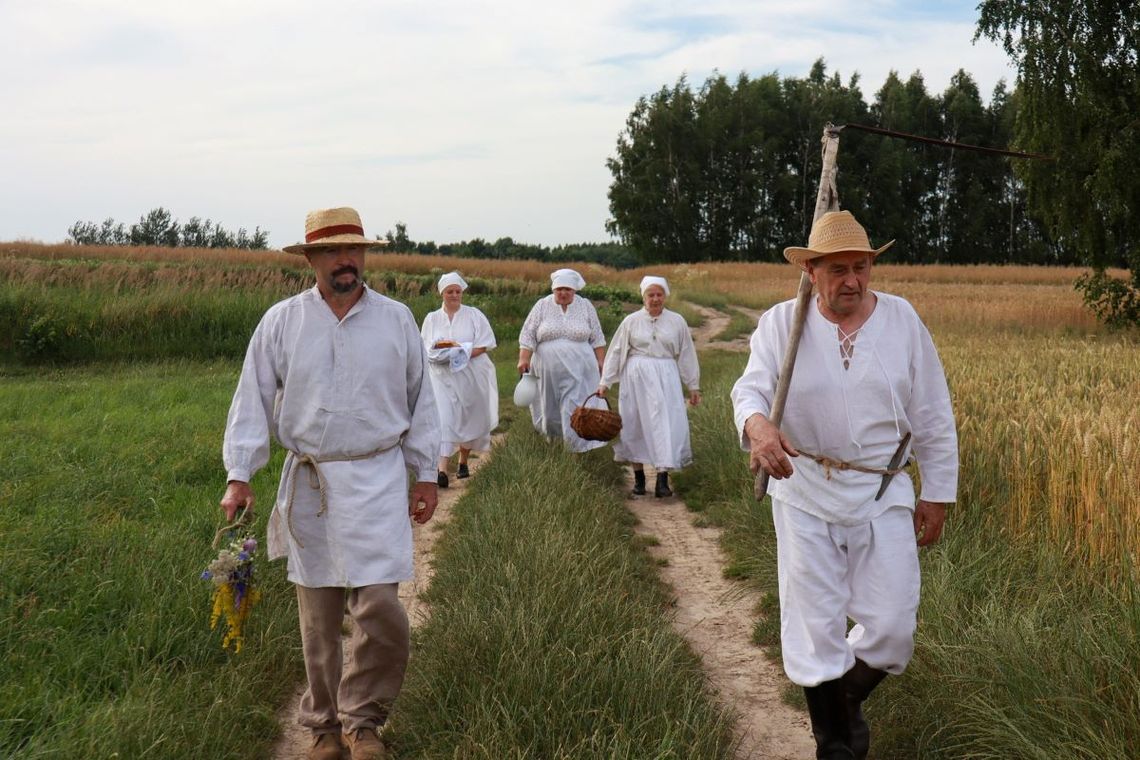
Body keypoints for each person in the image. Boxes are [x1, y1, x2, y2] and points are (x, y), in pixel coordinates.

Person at [730, 210, 957, 760]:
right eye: (837, 269)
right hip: (804, 487)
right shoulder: (781, 323)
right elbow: (750, 392)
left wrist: (937, 492)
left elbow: (932, 411)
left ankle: (842, 702)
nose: (851, 279)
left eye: (861, 266)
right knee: (815, 621)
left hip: (883, 489)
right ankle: (835, 743)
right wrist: (757, 428)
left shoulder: (902, 321)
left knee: (893, 627)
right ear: (811, 271)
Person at [220, 207, 440, 760]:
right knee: (318, 619)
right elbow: (252, 396)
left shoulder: (396, 320)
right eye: (333, 251)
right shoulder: (282, 322)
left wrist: (425, 474)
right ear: (312, 259)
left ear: (364, 255)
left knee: (381, 611)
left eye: (355, 250)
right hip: (311, 484)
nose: (347, 261)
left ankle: (363, 722)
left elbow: (422, 401)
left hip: (378, 478)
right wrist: (240, 474)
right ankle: (323, 728)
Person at [598, 275, 700, 498]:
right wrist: (605, 381)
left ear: (665, 296)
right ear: (643, 297)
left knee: (664, 425)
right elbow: (616, 351)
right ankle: (639, 479)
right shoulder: (631, 321)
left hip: (666, 376)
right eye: (650, 295)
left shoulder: (677, 321)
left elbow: (686, 354)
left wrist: (693, 386)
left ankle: (662, 480)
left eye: (659, 295)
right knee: (634, 424)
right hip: (636, 378)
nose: (655, 299)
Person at [420, 271, 499, 488]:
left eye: (457, 291)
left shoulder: (474, 315)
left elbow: (484, 344)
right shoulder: (432, 318)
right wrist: (442, 355)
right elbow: (426, 347)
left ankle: (463, 460)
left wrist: (459, 353)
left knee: (468, 417)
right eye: (449, 292)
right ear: (442, 294)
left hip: (470, 374)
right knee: (443, 419)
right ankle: (442, 469)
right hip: (441, 377)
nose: (454, 295)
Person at [517, 268, 607, 452]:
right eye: (559, 289)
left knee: (573, 408)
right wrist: (523, 358)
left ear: (574, 290)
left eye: (568, 289)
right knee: (548, 410)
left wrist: (601, 362)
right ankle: (554, 447)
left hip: (580, 369)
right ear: (553, 290)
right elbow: (528, 334)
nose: (563, 293)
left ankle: (573, 450)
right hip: (546, 371)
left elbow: (597, 337)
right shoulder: (542, 305)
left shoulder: (585, 306)